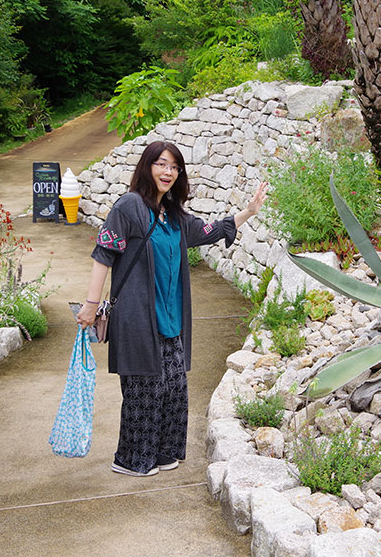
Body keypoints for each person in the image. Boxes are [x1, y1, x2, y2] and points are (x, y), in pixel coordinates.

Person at [76, 141, 267, 477]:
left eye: (174, 167)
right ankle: (132, 460)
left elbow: (209, 231)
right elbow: (103, 255)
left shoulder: (173, 215)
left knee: (174, 390)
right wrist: (91, 306)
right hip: (137, 318)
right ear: (147, 167)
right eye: (161, 164)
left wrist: (248, 212)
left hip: (170, 320)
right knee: (144, 393)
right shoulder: (129, 208)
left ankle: (163, 452)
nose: (168, 172)